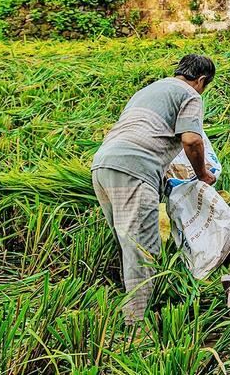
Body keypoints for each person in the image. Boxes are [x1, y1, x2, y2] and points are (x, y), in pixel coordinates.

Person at [91, 54, 216, 324]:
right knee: (142, 250)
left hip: (102, 165)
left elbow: (147, 133)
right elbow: (192, 141)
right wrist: (202, 174)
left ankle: (128, 307)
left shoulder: (149, 90)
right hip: (133, 169)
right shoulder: (189, 94)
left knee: (127, 244)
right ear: (201, 80)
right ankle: (138, 326)